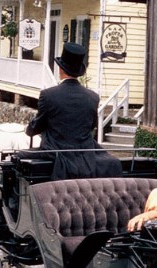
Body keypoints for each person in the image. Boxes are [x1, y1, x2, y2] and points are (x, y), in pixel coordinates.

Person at [25, 42, 122, 180]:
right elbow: (91, 126)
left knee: (16, 157)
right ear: (78, 72)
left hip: (56, 152)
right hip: (85, 153)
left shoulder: (48, 95)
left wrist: (29, 129)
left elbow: (38, 125)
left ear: (60, 70)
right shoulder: (93, 97)